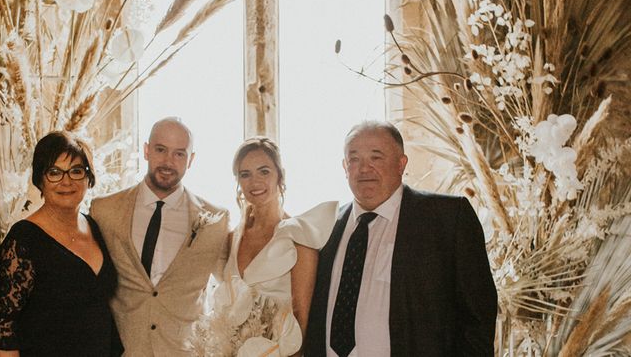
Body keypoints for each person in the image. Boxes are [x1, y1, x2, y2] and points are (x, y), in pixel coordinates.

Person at [306, 121, 498, 357]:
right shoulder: (324, 227)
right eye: (354, 159)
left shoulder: (447, 218)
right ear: (345, 167)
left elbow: (478, 319)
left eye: (376, 157)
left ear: (401, 164)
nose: (364, 168)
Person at [90, 117, 230, 356]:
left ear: (191, 160)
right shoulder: (104, 211)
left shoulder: (216, 220)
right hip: (122, 350)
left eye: (179, 154)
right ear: (146, 150)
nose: (168, 161)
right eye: (161, 150)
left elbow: (234, 285)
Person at [0, 131, 122, 357]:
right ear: (40, 180)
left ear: (89, 178)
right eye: (54, 172)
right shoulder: (23, 241)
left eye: (76, 171)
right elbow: (3, 331)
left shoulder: (94, 226)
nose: (66, 181)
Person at [197, 137, 337, 357]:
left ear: (280, 176)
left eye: (264, 172)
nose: (255, 182)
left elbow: (302, 319)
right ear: (238, 182)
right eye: (245, 174)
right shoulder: (231, 238)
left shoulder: (299, 236)